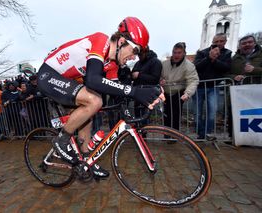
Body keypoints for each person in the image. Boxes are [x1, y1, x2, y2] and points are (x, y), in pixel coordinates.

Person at [37, 17, 164, 178]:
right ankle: (61, 140)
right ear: (121, 41)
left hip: (67, 81)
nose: (134, 58)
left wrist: (148, 93)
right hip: (48, 75)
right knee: (95, 100)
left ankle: (86, 160)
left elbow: (118, 90)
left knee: (89, 114)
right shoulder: (100, 40)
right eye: (135, 51)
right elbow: (93, 80)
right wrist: (134, 92)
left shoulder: (112, 64)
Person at [193, 33, 232, 140]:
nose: (218, 43)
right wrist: (209, 58)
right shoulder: (202, 52)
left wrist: (215, 60)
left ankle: (207, 133)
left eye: (221, 41)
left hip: (214, 87)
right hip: (199, 87)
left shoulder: (228, 53)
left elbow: (226, 68)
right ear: (213, 42)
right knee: (197, 113)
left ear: (225, 42)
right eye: (216, 41)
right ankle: (201, 135)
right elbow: (196, 67)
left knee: (212, 113)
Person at [160, 42, 199, 131]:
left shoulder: (189, 66)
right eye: (174, 52)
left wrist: (187, 93)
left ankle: (174, 135)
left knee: (176, 114)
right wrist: (160, 80)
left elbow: (193, 80)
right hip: (166, 92)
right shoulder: (164, 64)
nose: (176, 55)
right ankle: (166, 134)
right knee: (166, 114)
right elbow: (158, 76)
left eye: (179, 52)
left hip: (178, 93)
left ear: (184, 53)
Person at [131, 46, 162, 126]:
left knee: (145, 117)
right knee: (138, 116)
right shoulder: (138, 63)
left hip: (148, 94)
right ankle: (139, 134)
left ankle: (143, 135)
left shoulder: (155, 62)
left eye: (140, 54)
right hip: (137, 93)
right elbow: (132, 75)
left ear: (146, 52)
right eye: (138, 55)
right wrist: (132, 76)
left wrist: (139, 75)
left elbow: (155, 79)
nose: (139, 56)